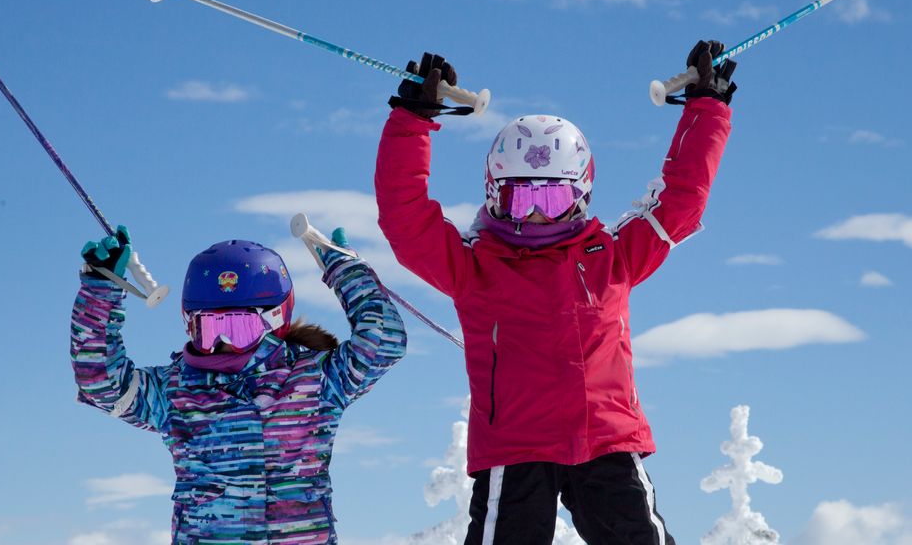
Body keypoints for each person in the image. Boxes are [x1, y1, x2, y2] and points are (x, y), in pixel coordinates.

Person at [375, 43, 736, 544]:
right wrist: (413, 121)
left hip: (606, 444)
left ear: (581, 192)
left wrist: (706, 106)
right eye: (520, 195)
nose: (537, 213)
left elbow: (682, 201)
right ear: (493, 191)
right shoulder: (474, 266)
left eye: (553, 194)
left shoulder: (613, 256)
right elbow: (405, 220)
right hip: (515, 451)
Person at [70, 227, 406, 544]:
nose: (223, 343)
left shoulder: (313, 381)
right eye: (208, 329)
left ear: (275, 320)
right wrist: (101, 289)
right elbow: (101, 382)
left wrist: (346, 271)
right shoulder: (175, 392)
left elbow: (384, 342)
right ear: (188, 324)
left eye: (240, 328)